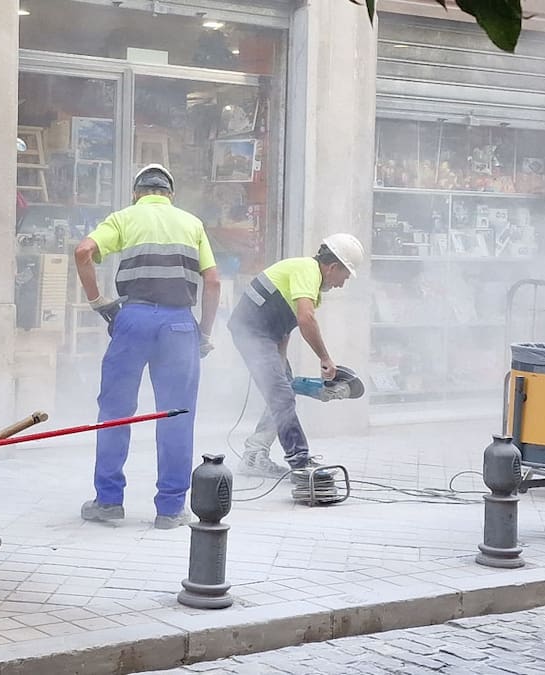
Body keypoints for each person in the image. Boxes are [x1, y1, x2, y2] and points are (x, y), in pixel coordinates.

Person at [74, 164, 221, 529]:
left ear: (137, 192)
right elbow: (213, 282)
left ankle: (108, 501)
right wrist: (203, 333)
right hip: (179, 325)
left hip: (133, 320)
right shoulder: (192, 224)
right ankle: (170, 509)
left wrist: (98, 301)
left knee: (116, 411)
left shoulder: (124, 218)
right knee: (176, 416)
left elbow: (83, 252)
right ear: (169, 194)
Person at [227, 233, 365, 478]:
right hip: (253, 335)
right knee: (282, 397)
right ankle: (300, 463)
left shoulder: (306, 277)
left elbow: (285, 325)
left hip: (266, 336)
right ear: (332, 267)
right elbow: (305, 318)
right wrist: (325, 358)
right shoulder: (307, 271)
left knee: (283, 391)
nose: (341, 284)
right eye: (343, 277)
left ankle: (254, 455)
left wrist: (280, 362)